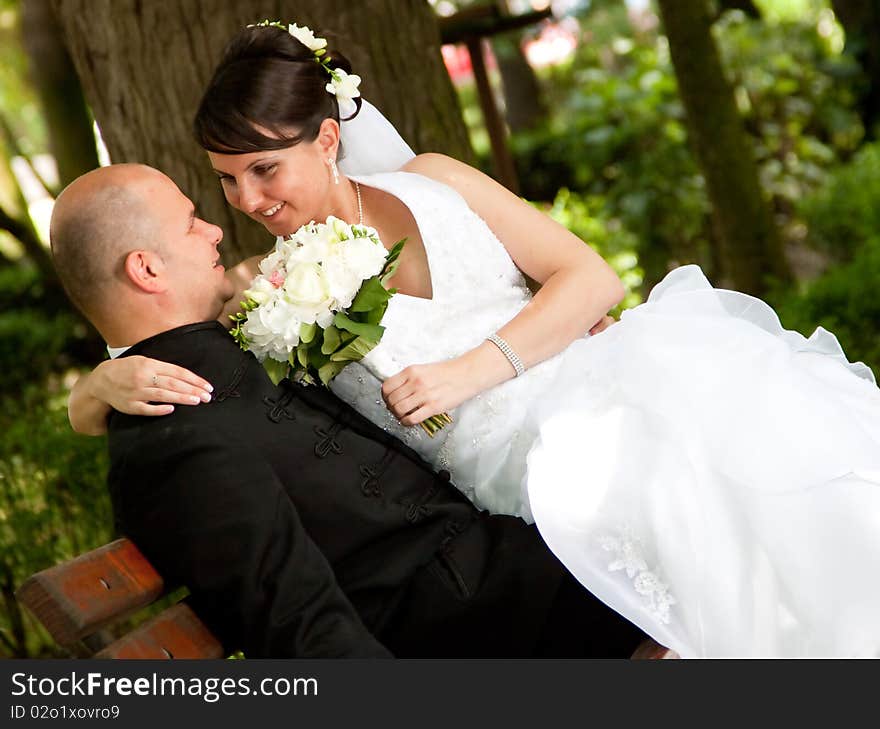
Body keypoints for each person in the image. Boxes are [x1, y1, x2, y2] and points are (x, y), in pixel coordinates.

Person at [70, 23, 880, 657]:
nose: (243, 199)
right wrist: (95, 388)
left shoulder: (434, 179)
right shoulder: (261, 290)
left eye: (263, 169)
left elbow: (591, 280)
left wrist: (473, 368)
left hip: (596, 398)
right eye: (224, 176)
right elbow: (160, 339)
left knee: (768, 495)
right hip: (518, 493)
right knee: (693, 541)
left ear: (324, 137)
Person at [50, 162, 651, 658]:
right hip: (487, 628)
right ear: (147, 269)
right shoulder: (172, 439)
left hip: (514, 568)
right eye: (190, 224)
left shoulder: (236, 335)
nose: (215, 230)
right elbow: (304, 628)